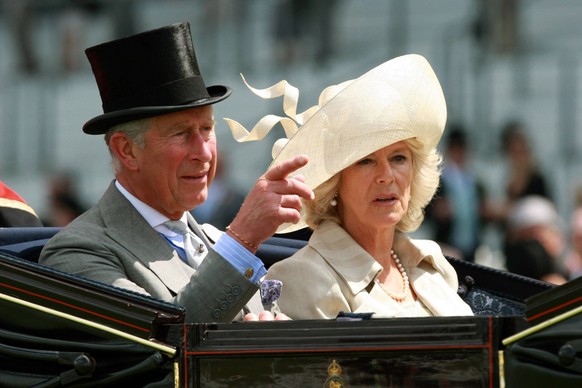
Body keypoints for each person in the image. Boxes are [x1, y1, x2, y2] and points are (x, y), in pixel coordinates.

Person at [39, 22, 314, 323]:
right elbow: (161, 343)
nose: (205, 153)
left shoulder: (212, 239)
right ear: (127, 150)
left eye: (207, 129)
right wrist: (244, 238)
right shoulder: (77, 252)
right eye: (181, 134)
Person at [225, 54, 474, 319]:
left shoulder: (432, 263)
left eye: (398, 158)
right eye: (365, 161)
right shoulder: (301, 276)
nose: (386, 176)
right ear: (334, 182)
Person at [425, 125, 490, 261]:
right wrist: (437, 210)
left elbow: (482, 212)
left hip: (471, 245)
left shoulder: (474, 181)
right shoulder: (438, 180)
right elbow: (426, 210)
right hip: (447, 242)